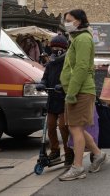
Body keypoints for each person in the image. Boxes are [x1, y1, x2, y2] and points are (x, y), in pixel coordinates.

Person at [59, 9, 108, 181]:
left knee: (75, 129)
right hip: (79, 89)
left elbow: (80, 67)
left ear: (78, 21)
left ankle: (78, 167)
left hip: (80, 91)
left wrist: (71, 92)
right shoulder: (78, 38)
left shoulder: (83, 39)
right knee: (78, 127)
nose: (66, 22)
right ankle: (98, 154)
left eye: (69, 20)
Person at [36, 35, 74, 166]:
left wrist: (63, 86)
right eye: (54, 47)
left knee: (63, 126)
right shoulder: (50, 63)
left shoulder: (67, 62)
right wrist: (42, 83)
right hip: (52, 98)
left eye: (58, 47)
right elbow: (45, 77)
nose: (55, 49)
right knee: (50, 126)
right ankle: (55, 150)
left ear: (64, 49)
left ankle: (69, 152)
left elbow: (70, 78)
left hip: (63, 99)